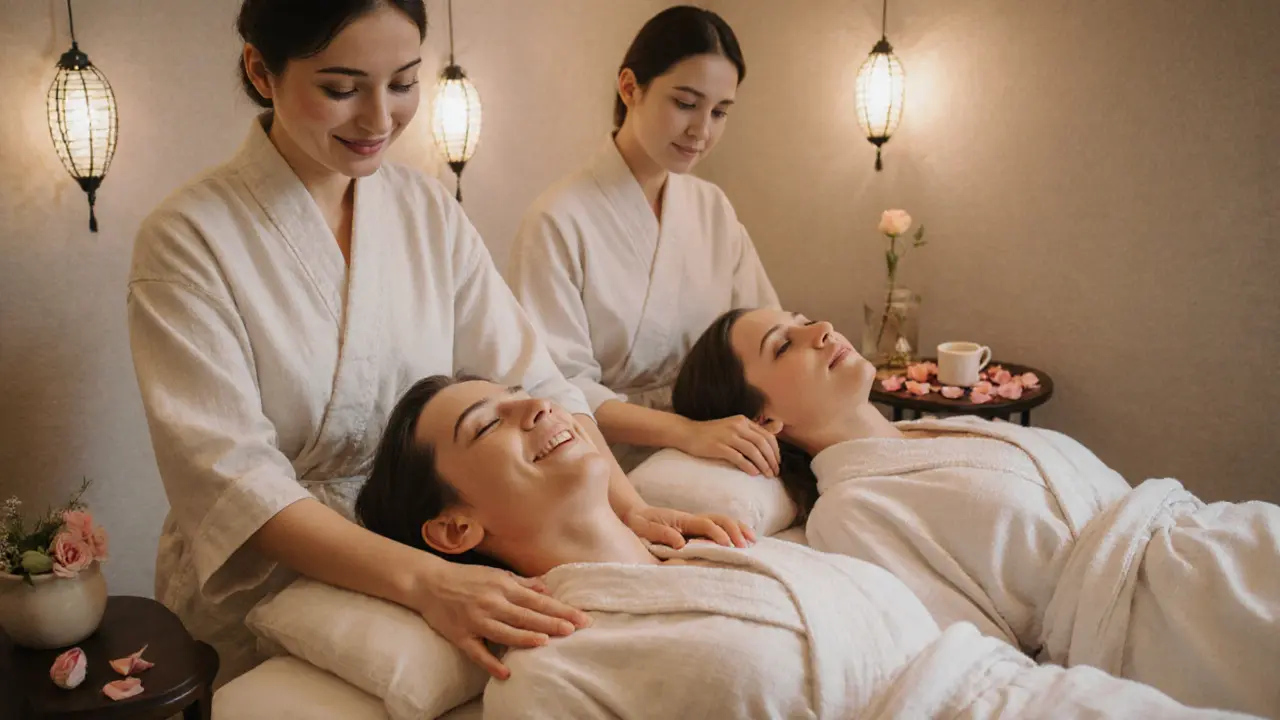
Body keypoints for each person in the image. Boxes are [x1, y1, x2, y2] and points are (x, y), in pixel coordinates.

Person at [126, 0, 743, 688]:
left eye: (402, 83)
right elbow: (234, 482)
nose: (380, 119)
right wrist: (428, 583)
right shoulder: (189, 238)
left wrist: (628, 509)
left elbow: (535, 381)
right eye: (341, 88)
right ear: (260, 71)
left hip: (439, 548)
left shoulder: (422, 209)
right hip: (285, 573)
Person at [353, 374, 1256, 720]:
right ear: (454, 530)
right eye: (490, 421)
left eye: (526, 391)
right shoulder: (547, 676)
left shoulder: (736, 551)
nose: (538, 406)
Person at [670, 307, 1280, 718]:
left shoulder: (943, 427)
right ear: (765, 422)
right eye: (785, 344)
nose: (821, 328)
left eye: (804, 320)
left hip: (1228, 543)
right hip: (1180, 623)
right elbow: (986, 660)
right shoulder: (851, 511)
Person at [505, 5, 782, 477]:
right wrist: (685, 433)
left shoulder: (712, 209)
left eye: (719, 112)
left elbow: (768, 331)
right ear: (630, 87)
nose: (703, 131)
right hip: (598, 462)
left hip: (715, 451)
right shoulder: (557, 219)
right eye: (685, 103)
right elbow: (555, 386)